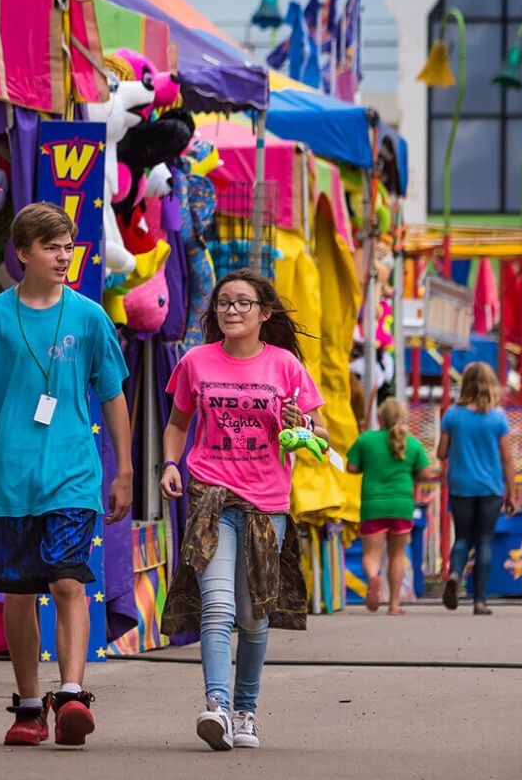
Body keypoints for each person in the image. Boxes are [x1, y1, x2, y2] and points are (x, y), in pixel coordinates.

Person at [0, 202, 132, 748]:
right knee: (21, 594)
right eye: (51, 246)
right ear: (23, 252)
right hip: (7, 479)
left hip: (73, 475)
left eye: (67, 245)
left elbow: (114, 397)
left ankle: (72, 693)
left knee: (67, 579)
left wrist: (123, 471)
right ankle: (30, 706)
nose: (62, 255)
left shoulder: (90, 317)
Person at [158, 270, 326, 752]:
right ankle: (217, 708)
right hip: (211, 496)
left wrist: (303, 426)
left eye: (242, 303)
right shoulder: (195, 362)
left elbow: (322, 438)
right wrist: (170, 463)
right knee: (218, 606)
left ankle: (246, 710)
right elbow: (177, 424)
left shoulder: (286, 368)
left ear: (264, 314)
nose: (231, 311)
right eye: (223, 303)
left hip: (265, 506)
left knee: (254, 618)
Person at [435, 362, 515, 615]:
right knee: (485, 541)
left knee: (462, 537)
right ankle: (480, 601)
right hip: (491, 488)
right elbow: (507, 458)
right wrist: (511, 491)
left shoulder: (452, 414)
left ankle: (456, 574)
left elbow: (441, 452)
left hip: (461, 485)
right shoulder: (498, 417)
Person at [346, 398, 439, 615]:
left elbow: (351, 467)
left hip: (373, 504)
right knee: (397, 555)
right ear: (402, 418)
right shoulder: (412, 443)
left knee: (371, 555)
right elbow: (425, 474)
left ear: (380, 418)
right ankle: (394, 605)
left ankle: (373, 578)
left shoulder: (366, 440)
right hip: (402, 505)